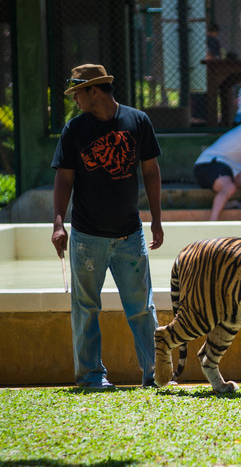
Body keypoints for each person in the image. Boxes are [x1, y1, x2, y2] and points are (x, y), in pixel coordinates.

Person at [51, 64, 164, 389]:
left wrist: (156, 219)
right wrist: (58, 223)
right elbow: (64, 178)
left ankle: (155, 372)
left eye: (78, 93)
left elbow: (151, 172)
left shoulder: (137, 121)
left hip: (130, 234)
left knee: (141, 307)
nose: (75, 100)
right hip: (87, 237)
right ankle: (91, 376)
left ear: (94, 91)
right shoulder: (74, 130)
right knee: (86, 308)